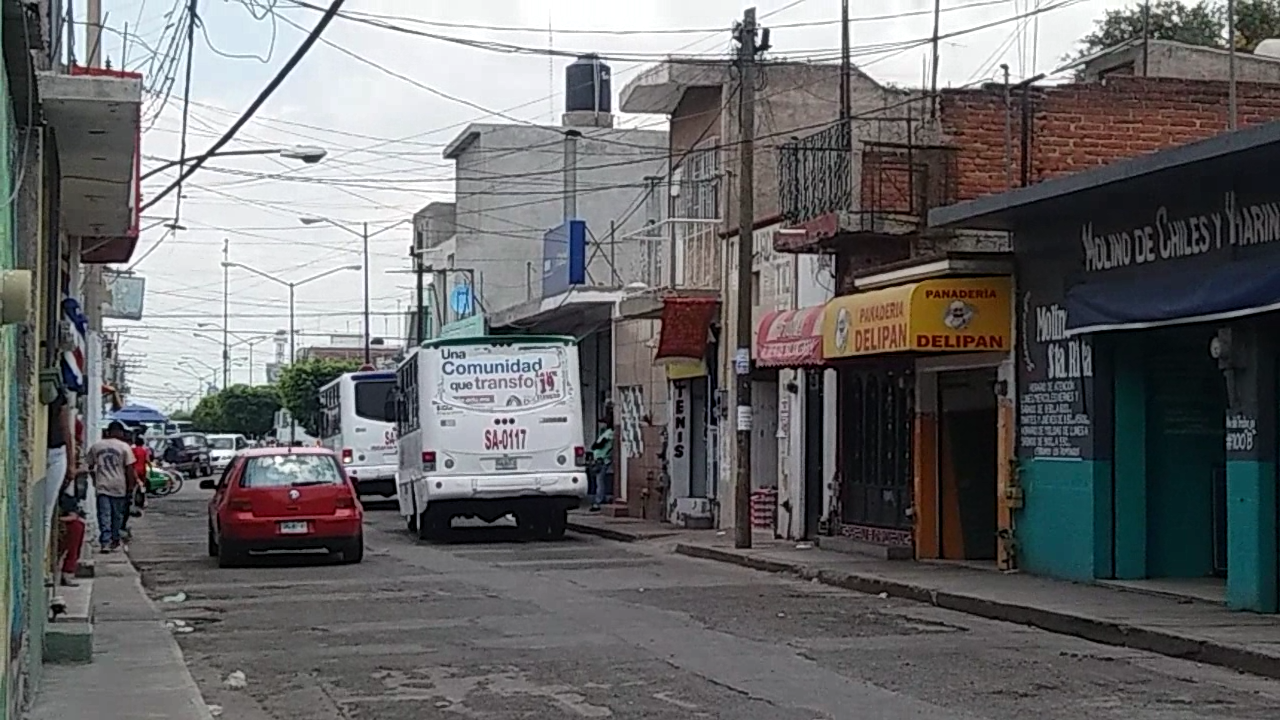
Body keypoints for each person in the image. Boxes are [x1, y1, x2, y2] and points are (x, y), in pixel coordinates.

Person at [88, 421, 138, 553]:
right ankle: (114, 540)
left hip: (102, 485)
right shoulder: (125, 447)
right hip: (119, 485)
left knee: (104, 515)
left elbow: (90, 466)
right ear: (120, 433)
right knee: (117, 516)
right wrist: (130, 487)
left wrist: (95, 480)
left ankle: (105, 542)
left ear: (108, 432)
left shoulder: (96, 446)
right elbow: (130, 469)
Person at [44, 387, 77, 585]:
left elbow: (66, 430)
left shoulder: (60, 393)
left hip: (56, 453)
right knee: (46, 515)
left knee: (46, 513)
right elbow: (67, 430)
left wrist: (71, 463)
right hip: (53, 452)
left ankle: (42, 565)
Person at [588, 410, 615, 512]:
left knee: (600, 481)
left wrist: (596, 445)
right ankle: (601, 498)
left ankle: (599, 501)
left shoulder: (610, 433)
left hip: (603, 460)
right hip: (599, 459)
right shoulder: (605, 432)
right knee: (599, 481)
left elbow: (598, 445)